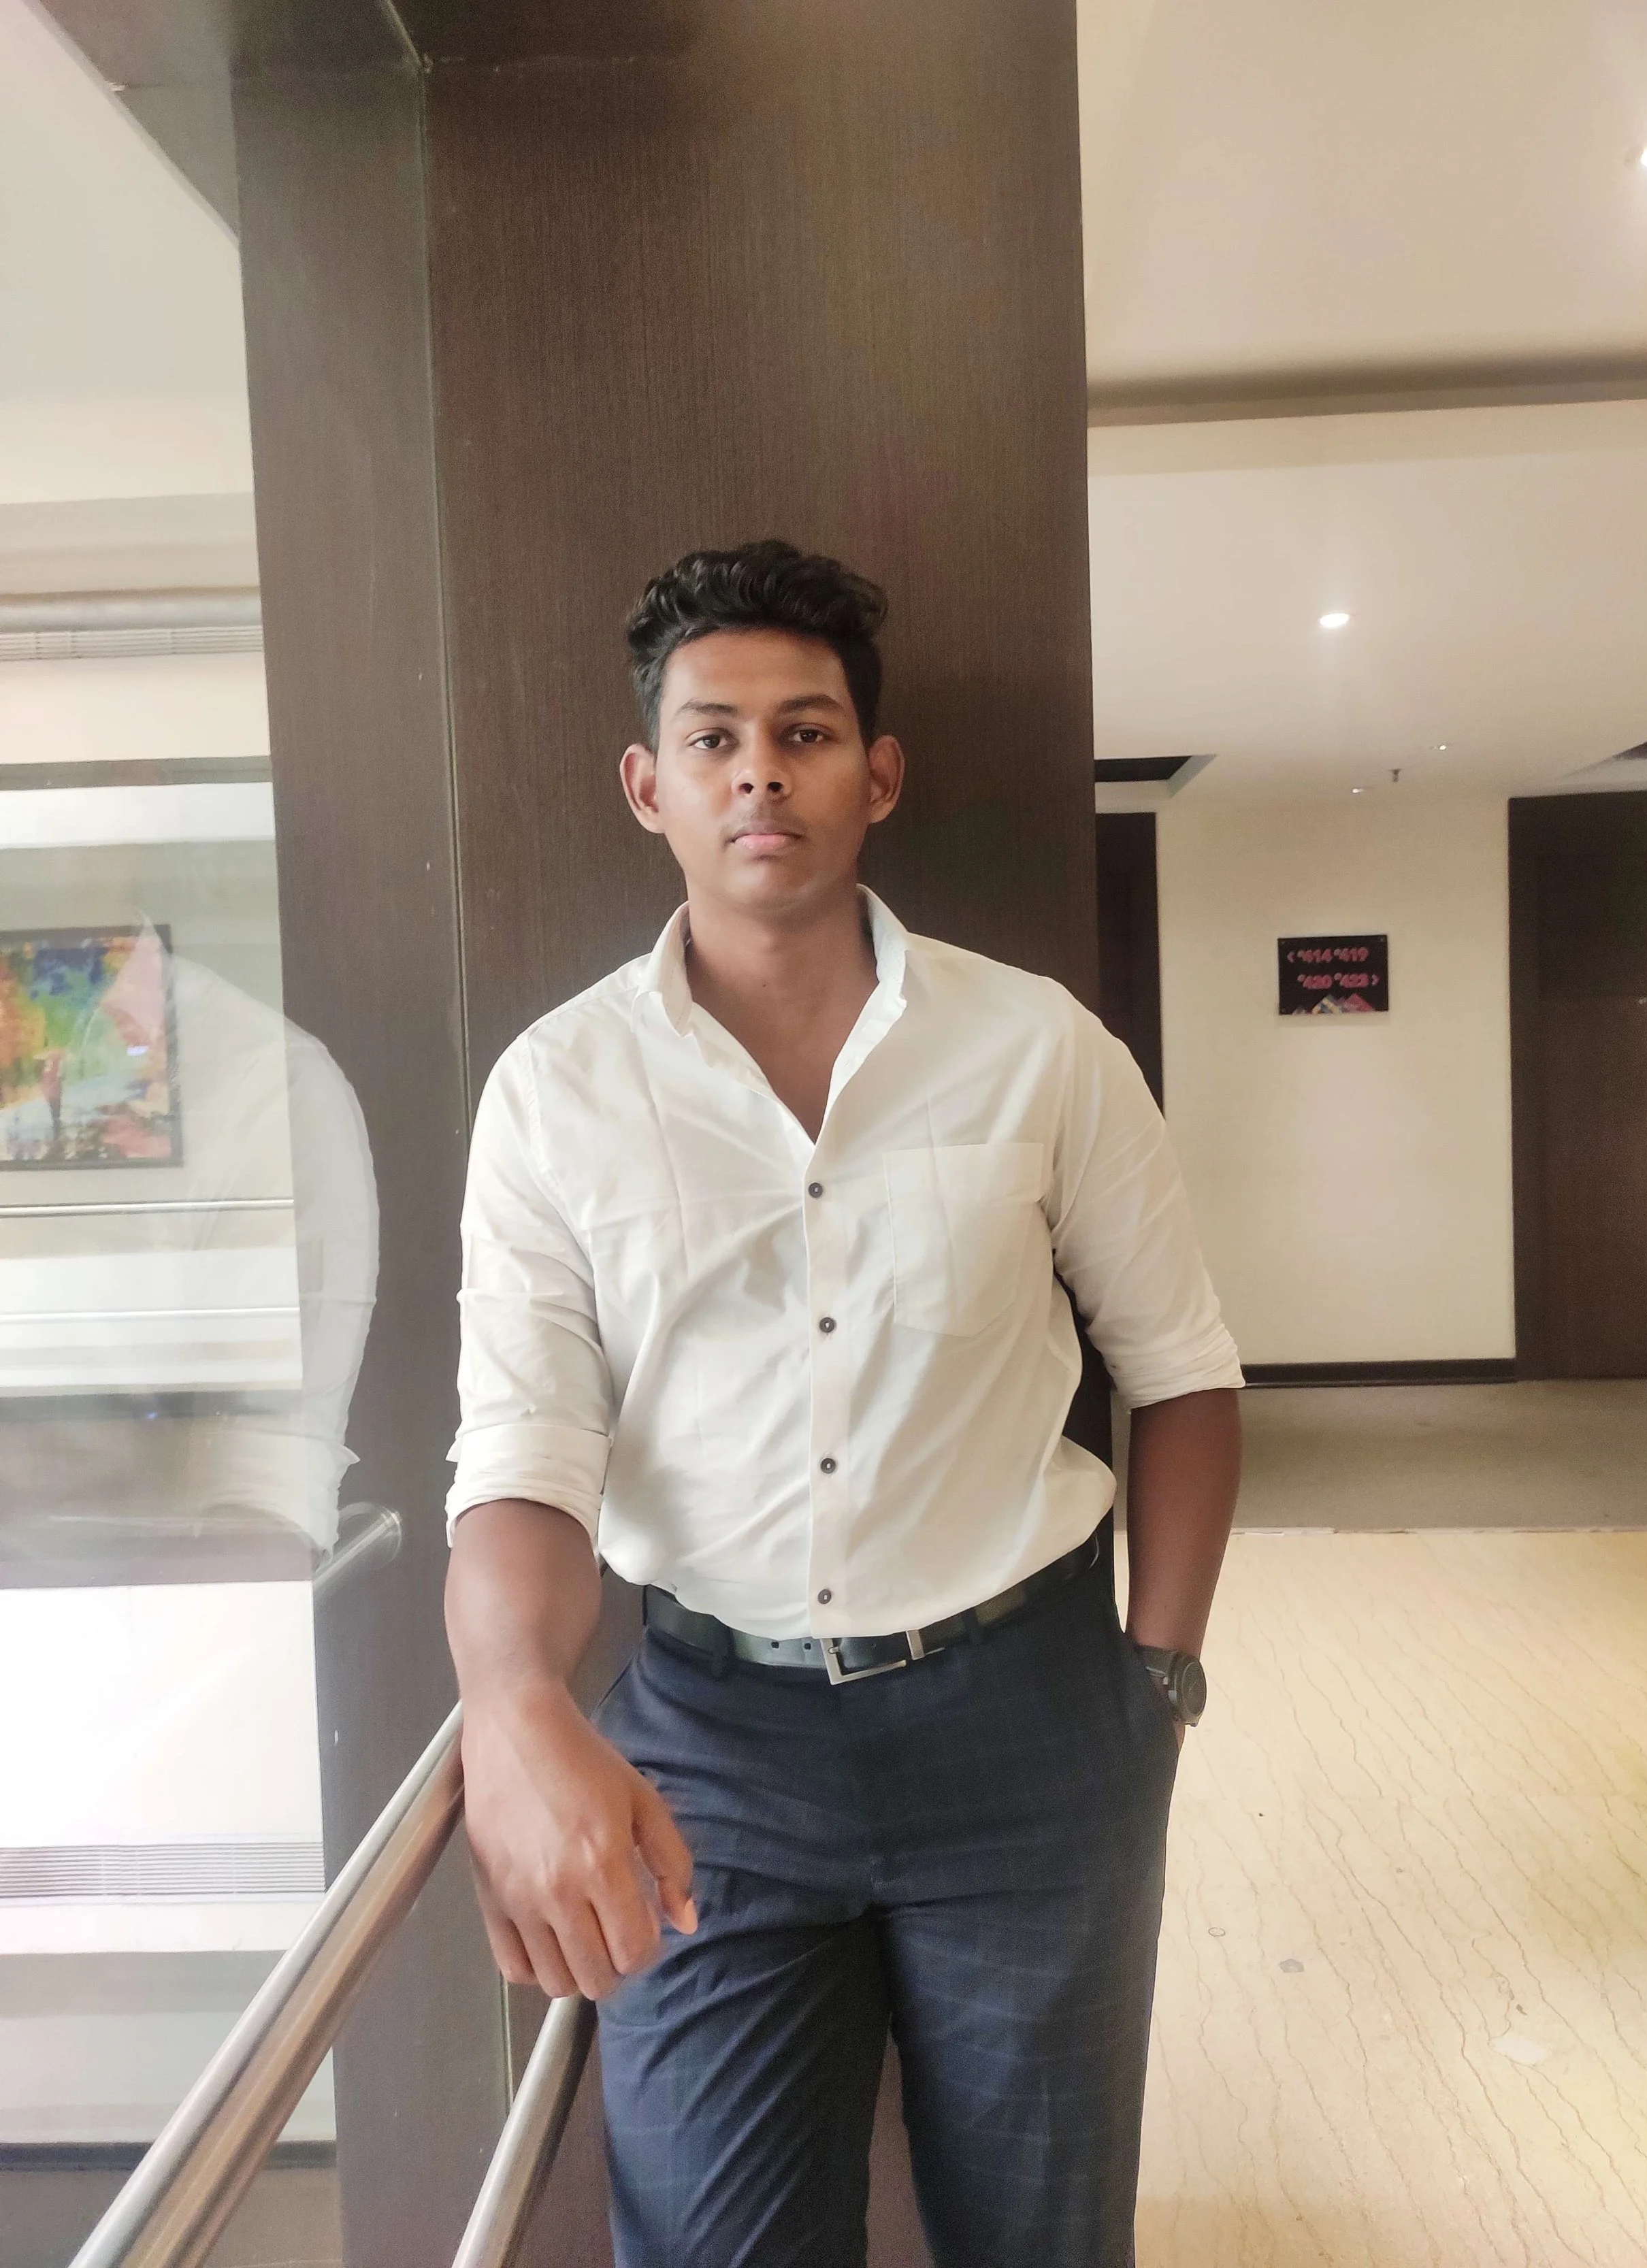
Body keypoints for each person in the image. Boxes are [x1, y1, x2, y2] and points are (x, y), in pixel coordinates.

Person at [443, 540, 1243, 2268]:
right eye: (714, 738)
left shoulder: (1039, 1048)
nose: (759, 773)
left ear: (874, 776)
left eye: (802, 733)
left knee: (1039, 2238)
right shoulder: (556, 1092)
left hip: (1029, 1724)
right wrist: (508, 1703)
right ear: (648, 785)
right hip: (710, 1753)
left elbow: (1180, 1372)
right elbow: (522, 1453)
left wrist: (1156, 1682)